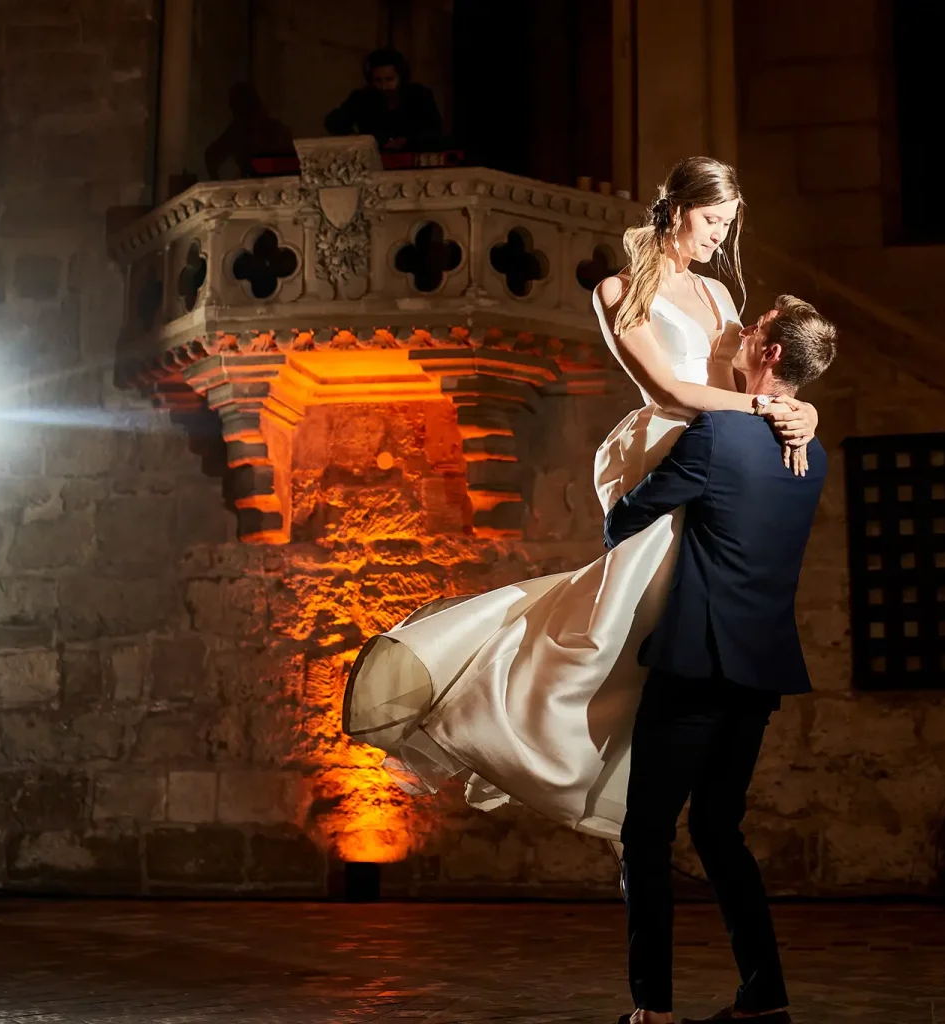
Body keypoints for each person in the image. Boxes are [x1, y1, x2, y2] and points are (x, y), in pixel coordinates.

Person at [341, 157, 819, 842]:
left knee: (674, 613)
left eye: (728, 224)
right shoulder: (618, 289)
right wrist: (767, 411)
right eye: (712, 220)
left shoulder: (718, 294)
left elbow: (756, 376)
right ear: (678, 208)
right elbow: (669, 390)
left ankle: (655, 771)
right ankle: (508, 713)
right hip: (666, 445)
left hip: (720, 449)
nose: (720, 236)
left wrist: (802, 410)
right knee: (616, 620)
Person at [607, 295, 837, 1024]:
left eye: (755, 328)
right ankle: (765, 997)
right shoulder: (814, 454)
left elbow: (623, 522)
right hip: (760, 670)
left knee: (646, 834)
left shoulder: (716, 436)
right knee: (716, 829)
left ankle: (653, 1011)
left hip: (696, 664)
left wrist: (625, 473)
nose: (741, 330)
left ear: (770, 354)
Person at [324, 47, 443, 151]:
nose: (384, 86)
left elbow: (435, 132)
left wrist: (407, 141)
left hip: (411, 157)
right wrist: (356, 138)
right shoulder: (363, 97)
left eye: (389, 79)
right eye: (378, 80)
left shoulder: (419, 95)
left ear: (401, 77)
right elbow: (333, 122)